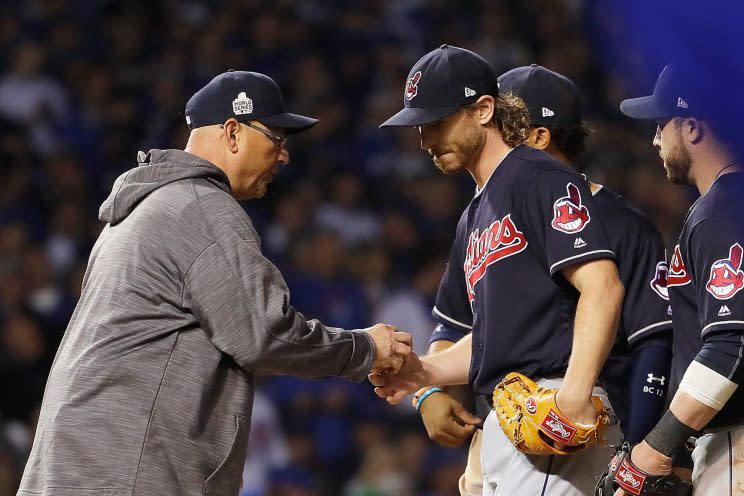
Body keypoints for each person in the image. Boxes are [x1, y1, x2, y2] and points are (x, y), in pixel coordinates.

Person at [16, 70, 413, 496]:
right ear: (232, 132)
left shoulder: (140, 211)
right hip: (127, 468)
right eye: (276, 138)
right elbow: (263, 332)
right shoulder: (200, 205)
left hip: (84, 462)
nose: (284, 156)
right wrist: (365, 349)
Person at [374, 44, 625, 495]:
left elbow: (602, 287)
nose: (425, 140)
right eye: (419, 126)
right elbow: (497, 338)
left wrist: (574, 393)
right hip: (509, 413)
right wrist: (425, 374)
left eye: (436, 122)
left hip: (551, 400)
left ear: (484, 109)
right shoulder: (475, 213)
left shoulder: (538, 177)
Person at [416, 64, 674, 496]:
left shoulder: (622, 225)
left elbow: (651, 340)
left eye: (512, 121)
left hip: (579, 418)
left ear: (537, 137)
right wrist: (427, 388)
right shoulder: (483, 213)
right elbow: (465, 328)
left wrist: (640, 449)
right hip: (509, 417)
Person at [605, 62, 744, 494]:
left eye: (661, 124)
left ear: (692, 128)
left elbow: (732, 342)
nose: (654, 138)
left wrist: (657, 448)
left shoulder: (721, 211)